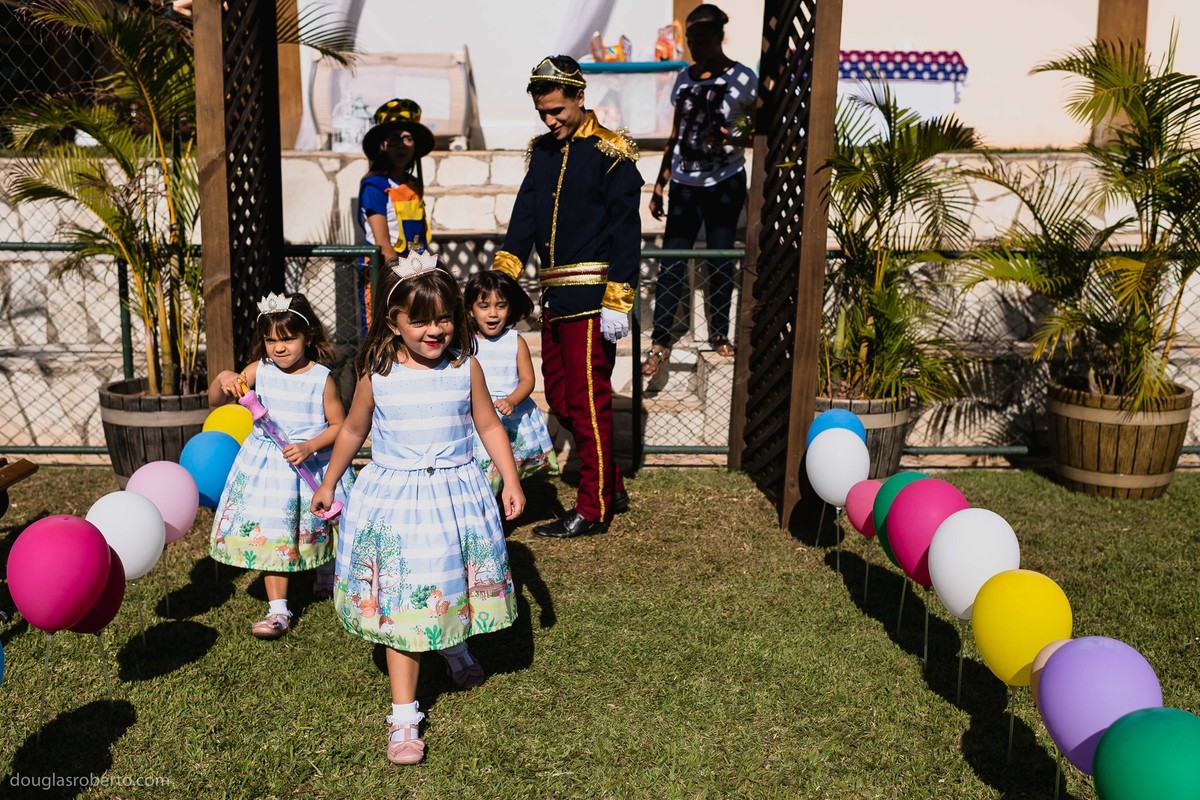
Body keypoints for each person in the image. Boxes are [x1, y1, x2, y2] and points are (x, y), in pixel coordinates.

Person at [311, 251, 523, 766]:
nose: (435, 329)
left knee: (448, 580)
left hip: (455, 497)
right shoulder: (376, 373)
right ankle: (404, 716)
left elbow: (489, 425)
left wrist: (511, 477)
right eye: (420, 320)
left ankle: (452, 646)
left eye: (444, 317)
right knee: (407, 601)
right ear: (393, 322)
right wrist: (331, 480)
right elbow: (355, 430)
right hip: (396, 502)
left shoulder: (464, 366)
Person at [491, 54, 640, 538]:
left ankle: (593, 508)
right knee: (559, 395)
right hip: (555, 298)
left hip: (594, 299)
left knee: (588, 402)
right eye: (543, 113)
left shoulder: (611, 153)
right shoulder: (543, 153)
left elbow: (626, 233)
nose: (550, 120)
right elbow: (524, 222)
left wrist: (619, 299)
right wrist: (502, 280)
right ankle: (611, 485)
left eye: (557, 110)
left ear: (580, 97)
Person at [208, 291, 353, 638]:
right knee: (275, 534)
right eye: (271, 340)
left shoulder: (321, 378)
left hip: (309, 464)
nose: (279, 347)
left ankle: (323, 572)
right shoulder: (260, 370)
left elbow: (339, 427)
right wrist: (222, 377)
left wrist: (309, 445)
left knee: (317, 526)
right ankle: (278, 611)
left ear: (308, 337)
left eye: (288, 339)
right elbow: (215, 402)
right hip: (267, 469)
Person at [642, 3, 757, 378]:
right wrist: (660, 185)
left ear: (719, 37)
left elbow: (757, 131)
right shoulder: (685, 78)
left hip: (724, 181)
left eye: (701, 40)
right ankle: (661, 339)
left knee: (720, 257)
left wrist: (729, 135)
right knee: (673, 259)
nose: (695, 47)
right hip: (685, 183)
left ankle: (719, 335)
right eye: (690, 41)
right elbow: (675, 135)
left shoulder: (742, 77)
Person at [464, 270, 559, 495]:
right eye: (484, 306)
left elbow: (528, 380)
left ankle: (504, 503)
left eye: (501, 305)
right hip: (479, 414)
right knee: (481, 466)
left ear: (510, 308)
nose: (493, 314)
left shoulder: (515, 342)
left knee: (504, 467)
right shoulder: (465, 343)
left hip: (509, 417)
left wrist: (511, 400)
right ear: (470, 310)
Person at [357, 98, 435, 330]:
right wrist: (403, 276)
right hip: (385, 270)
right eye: (393, 139)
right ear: (383, 145)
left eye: (407, 139)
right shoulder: (374, 185)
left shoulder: (413, 184)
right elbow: (383, 244)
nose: (401, 146)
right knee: (381, 327)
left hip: (416, 268)